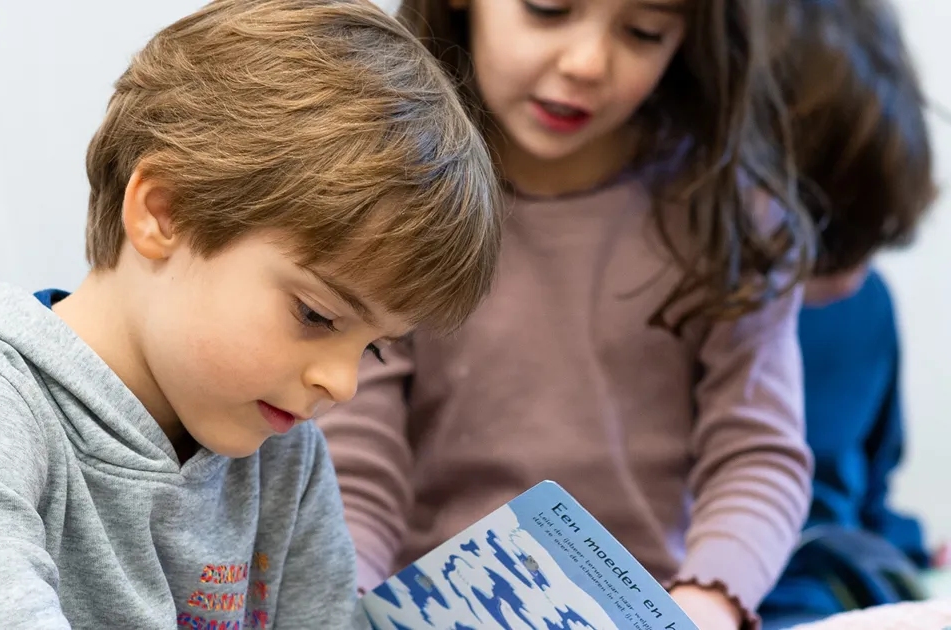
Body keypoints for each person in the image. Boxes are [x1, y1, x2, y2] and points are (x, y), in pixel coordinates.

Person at [0, 1, 503, 628]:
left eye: (374, 348)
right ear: (163, 212)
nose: (342, 385)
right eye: (316, 314)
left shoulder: (283, 459)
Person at [316, 1, 816, 628]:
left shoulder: (735, 221)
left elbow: (757, 456)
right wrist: (343, 606)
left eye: (644, 32)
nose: (587, 64)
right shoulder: (388, 203)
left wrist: (706, 604)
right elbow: (355, 466)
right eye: (548, 9)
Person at [758, 0, 939, 626]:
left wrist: (914, 549)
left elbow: (863, 488)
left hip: (834, 587)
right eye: (829, 247)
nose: (849, 281)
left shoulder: (866, 303)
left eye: (873, 243)